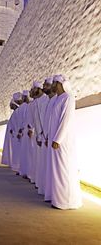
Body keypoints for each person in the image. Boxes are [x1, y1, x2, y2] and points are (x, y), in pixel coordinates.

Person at [49, 74, 82, 209]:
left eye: (54, 84)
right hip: (55, 139)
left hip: (63, 140)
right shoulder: (57, 99)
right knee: (57, 170)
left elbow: (66, 120)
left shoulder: (68, 98)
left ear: (60, 84)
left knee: (64, 168)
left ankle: (68, 201)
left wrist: (58, 139)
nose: (53, 86)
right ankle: (58, 200)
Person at [32, 82, 49, 193]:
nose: (32, 92)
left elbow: (46, 119)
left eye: (34, 89)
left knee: (45, 163)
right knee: (39, 162)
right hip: (40, 135)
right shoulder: (37, 101)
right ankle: (40, 184)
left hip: (45, 136)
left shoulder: (46, 100)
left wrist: (44, 134)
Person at [1, 96, 19, 167]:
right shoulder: (15, 112)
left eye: (11, 104)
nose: (10, 106)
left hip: (14, 133)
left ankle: (13, 162)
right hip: (12, 133)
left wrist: (14, 131)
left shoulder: (17, 112)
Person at [17, 90, 30, 178]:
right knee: (24, 153)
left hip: (27, 132)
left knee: (27, 153)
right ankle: (23, 170)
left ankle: (25, 171)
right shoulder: (25, 107)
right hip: (24, 132)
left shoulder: (26, 106)